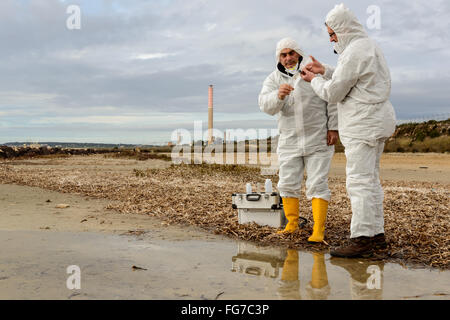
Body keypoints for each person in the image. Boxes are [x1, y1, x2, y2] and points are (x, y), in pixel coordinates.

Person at [300, 4, 396, 257]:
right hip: (375, 121)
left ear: (343, 29)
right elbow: (353, 78)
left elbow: (334, 92)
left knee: (359, 182)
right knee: (371, 180)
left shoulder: (354, 52)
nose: (331, 39)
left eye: (332, 33)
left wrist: (314, 80)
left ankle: (362, 239)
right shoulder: (368, 46)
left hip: (362, 124)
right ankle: (376, 236)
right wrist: (325, 71)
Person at [258, 37, 338, 243]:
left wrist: (334, 127)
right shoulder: (274, 79)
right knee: (287, 182)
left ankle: (318, 229)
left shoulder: (312, 72)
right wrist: (278, 96)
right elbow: (264, 105)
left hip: (318, 137)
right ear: (279, 58)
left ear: (299, 54)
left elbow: (331, 99)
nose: (287, 58)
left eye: (291, 53)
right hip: (289, 140)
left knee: (318, 182)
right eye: (283, 55)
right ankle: (291, 224)